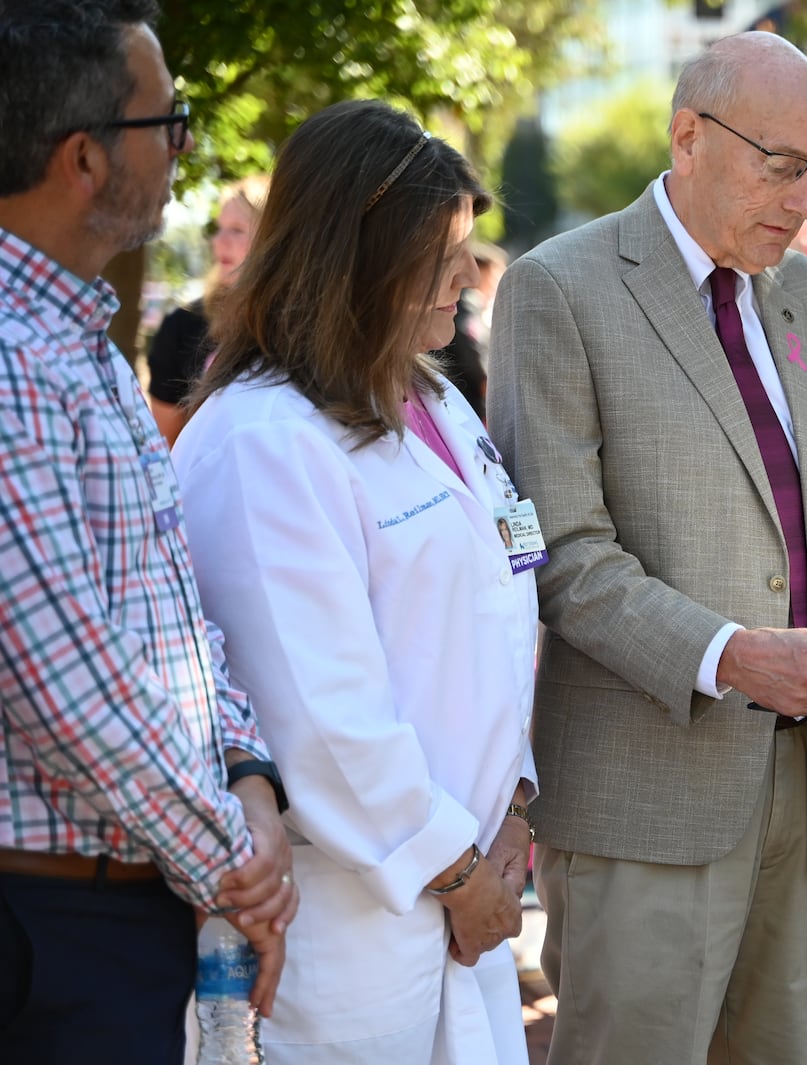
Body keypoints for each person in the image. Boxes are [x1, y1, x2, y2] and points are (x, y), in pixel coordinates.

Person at [488, 31, 807, 1065]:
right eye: (782, 166)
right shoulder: (561, 289)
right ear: (687, 136)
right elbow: (564, 555)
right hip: (648, 796)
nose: (806, 199)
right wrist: (727, 653)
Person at [171, 100, 538, 1064]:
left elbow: (502, 611)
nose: (465, 277)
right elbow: (319, 711)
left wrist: (516, 807)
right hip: (351, 926)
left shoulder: (433, 400)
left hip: (471, 892)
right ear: (353, 255)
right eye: (439, 251)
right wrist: (454, 868)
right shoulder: (261, 440)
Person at [0, 2, 296, 1060]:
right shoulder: (13, 355)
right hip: (52, 932)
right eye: (166, 121)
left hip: (132, 904)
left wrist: (249, 773)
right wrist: (235, 857)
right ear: (82, 158)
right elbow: (59, 680)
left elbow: (173, 616)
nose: (182, 147)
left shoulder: (78, 338)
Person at [144, 172, 269, 445]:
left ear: (273, 239)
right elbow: (166, 450)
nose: (219, 241)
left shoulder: (299, 330)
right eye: (219, 228)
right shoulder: (182, 326)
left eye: (237, 230)